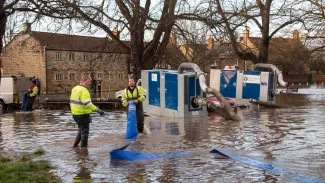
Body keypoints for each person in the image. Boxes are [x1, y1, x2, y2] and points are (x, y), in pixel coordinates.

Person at [70, 74, 105, 147]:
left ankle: (74, 146)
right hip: (82, 114)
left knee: (80, 130)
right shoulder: (84, 90)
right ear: (84, 81)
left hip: (75, 114)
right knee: (84, 132)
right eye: (89, 82)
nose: (90, 84)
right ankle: (84, 151)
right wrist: (97, 110)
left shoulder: (75, 89)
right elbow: (88, 103)